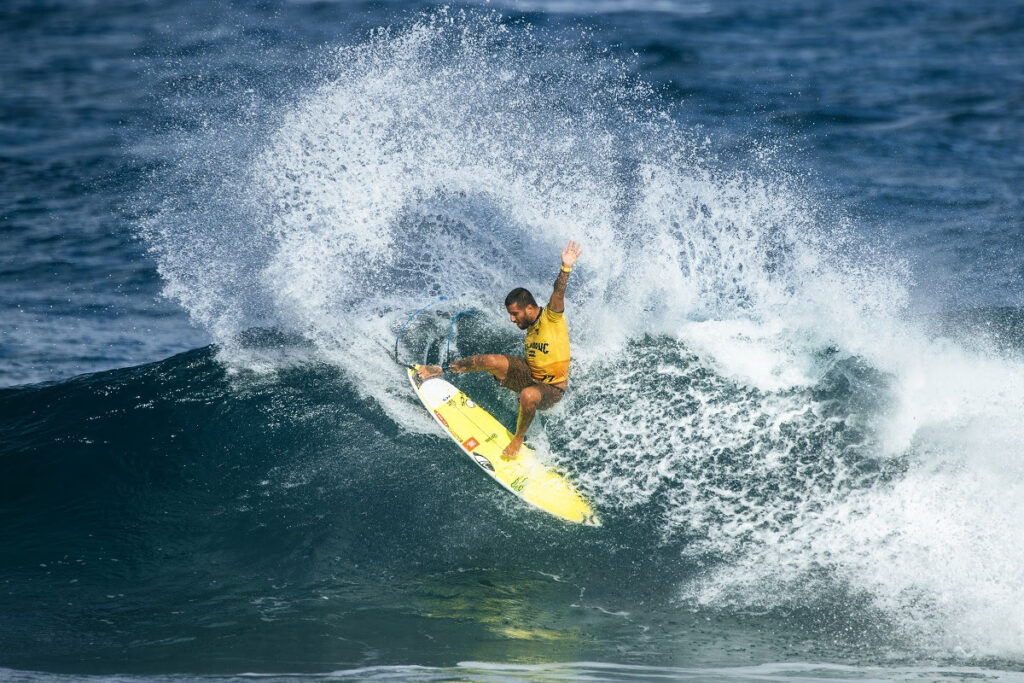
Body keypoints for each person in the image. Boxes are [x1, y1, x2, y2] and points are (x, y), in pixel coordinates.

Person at [417, 240, 582, 459]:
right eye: (510, 314)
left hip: (552, 389)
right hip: (531, 375)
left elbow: (558, 292)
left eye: (515, 314)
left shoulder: (551, 317)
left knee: (528, 394)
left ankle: (518, 439)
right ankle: (440, 369)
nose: (512, 319)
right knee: (487, 360)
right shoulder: (530, 327)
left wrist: (566, 268)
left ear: (530, 307)